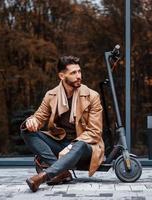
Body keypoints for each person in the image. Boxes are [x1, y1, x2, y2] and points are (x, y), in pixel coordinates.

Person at [21, 55, 105, 192]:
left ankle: (44, 176)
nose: (78, 76)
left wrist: (72, 146)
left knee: (80, 145)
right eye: (73, 73)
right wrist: (32, 121)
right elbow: (39, 117)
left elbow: (95, 132)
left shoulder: (92, 96)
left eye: (79, 71)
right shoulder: (51, 95)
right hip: (61, 143)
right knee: (25, 129)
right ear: (62, 76)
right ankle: (61, 172)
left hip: (86, 146)